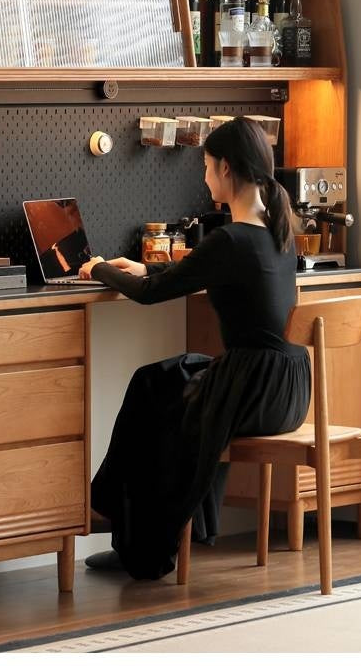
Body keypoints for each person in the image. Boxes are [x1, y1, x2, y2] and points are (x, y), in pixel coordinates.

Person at [77, 116, 312, 579]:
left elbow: (148, 298)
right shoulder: (279, 232)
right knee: (157, 380)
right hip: (287, 390)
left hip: (251, 386)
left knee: (156, 401)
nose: (203, 178)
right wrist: (144, 269)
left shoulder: (230, 239)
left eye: (206, 167)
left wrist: (99, 268)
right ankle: (134, 530)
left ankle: (141, 542)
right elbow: (180, 278)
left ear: (226, 168)